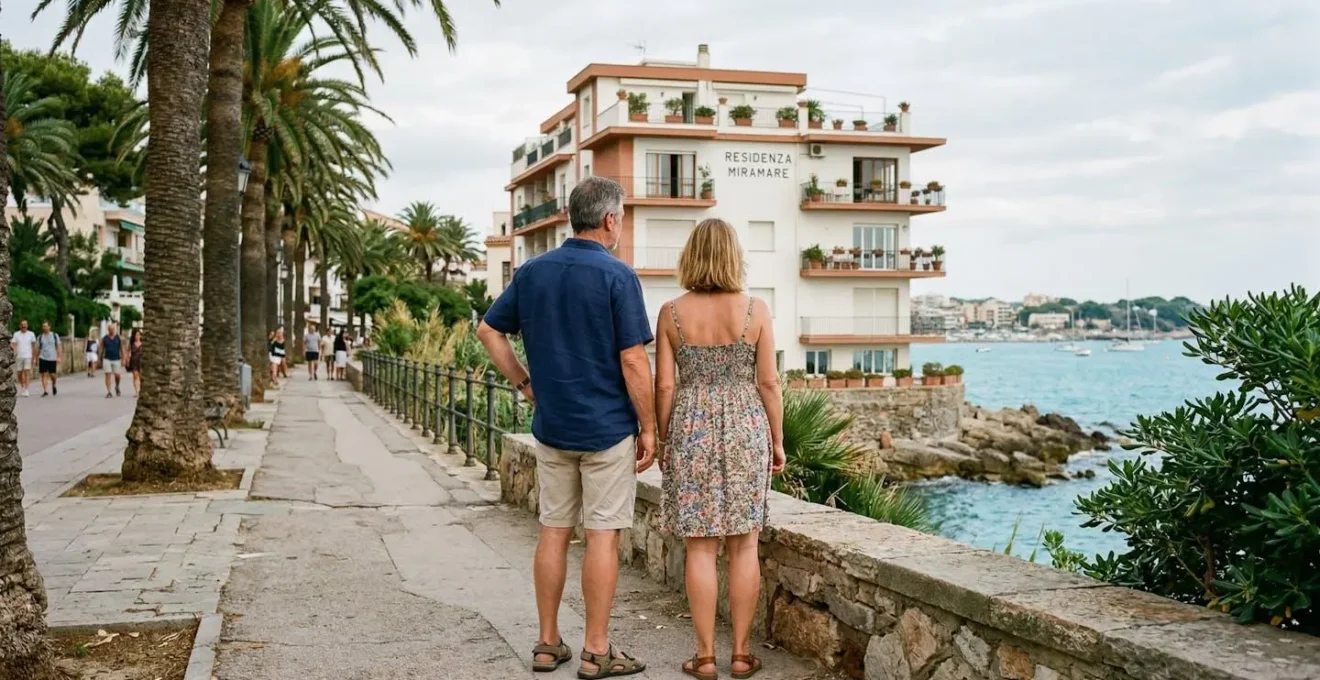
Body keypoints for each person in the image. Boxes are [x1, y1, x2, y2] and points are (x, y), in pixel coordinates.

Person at [477, 177, 654, 678]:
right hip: (607, 430)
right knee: (602, 537)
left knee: (553, 530)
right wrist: (649, 427)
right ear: (610, 220)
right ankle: (597, 650)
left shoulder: (533, 273)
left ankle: (547, 642)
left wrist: (524, 382)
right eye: (622, 218)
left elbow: (489, 329)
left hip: (552, 427)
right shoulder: (618, 277)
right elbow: (634, 361)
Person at [655, 219, 784, 680]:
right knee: (745, 542)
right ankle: (743, 654)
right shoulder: (756, 311)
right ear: (734, 257)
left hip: (691, 425)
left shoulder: (671, 312)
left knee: (701, 548)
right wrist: (778, 439)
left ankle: (705, 656)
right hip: (747, 424)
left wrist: (666, 439)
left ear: (691, 257)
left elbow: (665, 385)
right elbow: (768, 382)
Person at [36, 320, 61, 397]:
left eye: (46, 326)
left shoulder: (54, 335)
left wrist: (59, 357)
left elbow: (59, 347)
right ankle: (45, 391)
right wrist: (35, 358)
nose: (45, 328)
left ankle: (53, 385)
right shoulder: (40, 337)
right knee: (44, 374)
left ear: (49, 327)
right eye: (43, 326)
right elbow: (37, 348)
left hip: (52, 358)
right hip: (43, 357)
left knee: (53, 375)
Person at [12, 319, 36, 397]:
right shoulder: (16, 334)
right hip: (19, 356)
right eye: (22, 324)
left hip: (28, 356)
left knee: (27, 372)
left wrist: (35, 357)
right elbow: (13, 344)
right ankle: (22, 386)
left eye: (25, 324)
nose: (24, 326)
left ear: (27, 325)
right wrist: (13, 351)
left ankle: (26, 389)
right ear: (20, 326)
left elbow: (34, 346)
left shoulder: (31, 334)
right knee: (19, 373)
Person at [99, 323, 124, 398]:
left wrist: (124, 358)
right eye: (111, 329)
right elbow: (101, 348)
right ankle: (109, 391)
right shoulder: (105, 338)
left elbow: (122, 348)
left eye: (113, 329)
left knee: (117, 375)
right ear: (108, 330)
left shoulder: (118, 338)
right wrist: (99, 358)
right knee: (108, 374)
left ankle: (117, 386)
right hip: (107, 358)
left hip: (116, 358)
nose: (112, 330)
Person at [125, 329, 143, 397]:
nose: (137, 336)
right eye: (136, 335)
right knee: (135, 376)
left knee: (141, 377)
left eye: (138, 335)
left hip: (141, 362)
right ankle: (137, 392)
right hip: (134, 362)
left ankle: (140, 390)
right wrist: (127, 360)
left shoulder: (143, 344)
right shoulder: (131, 344)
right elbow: (128, 352)